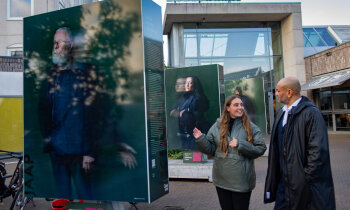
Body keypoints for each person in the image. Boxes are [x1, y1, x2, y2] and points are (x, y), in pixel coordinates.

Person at [41, 27, 136, 199]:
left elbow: (100, 114)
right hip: (57, 150)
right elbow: (45, 111)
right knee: (62, 198)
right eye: (53, 43)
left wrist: (91, 151)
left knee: (87, 197)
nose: (54, 47)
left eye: (58, 43)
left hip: (81, 153)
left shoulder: (87, 74)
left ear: (70, 46)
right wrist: (48, 140)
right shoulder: (51, 75)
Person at [264, 77, 335, 210]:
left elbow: (317, 152)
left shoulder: (312, 114)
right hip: (283, 185)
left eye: (278, 91)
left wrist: (304, 178)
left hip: (303, 187)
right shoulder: (281, 113)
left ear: (289, 92)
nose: (276, 94)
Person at [193, 96, 266, 210]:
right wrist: (201, 139)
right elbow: (211, 150)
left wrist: (240, 144)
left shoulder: (251, 127)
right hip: (221, 179)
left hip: (241, 181)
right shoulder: (217, 126)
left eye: (241, 105)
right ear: (228, 108)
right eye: (236, 105)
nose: (240, 107)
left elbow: (261, 148)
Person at [170, 76, 209, 150]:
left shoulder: (197, 99)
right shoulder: (183, 98)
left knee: (195, 158)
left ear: (195, 85)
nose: (187, 85)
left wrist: (183, 114)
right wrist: (179, 113)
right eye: (186, 82)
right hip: (183, 135)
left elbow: (191, 117)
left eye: (190, 83)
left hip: (193, 136)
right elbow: (172, 112)